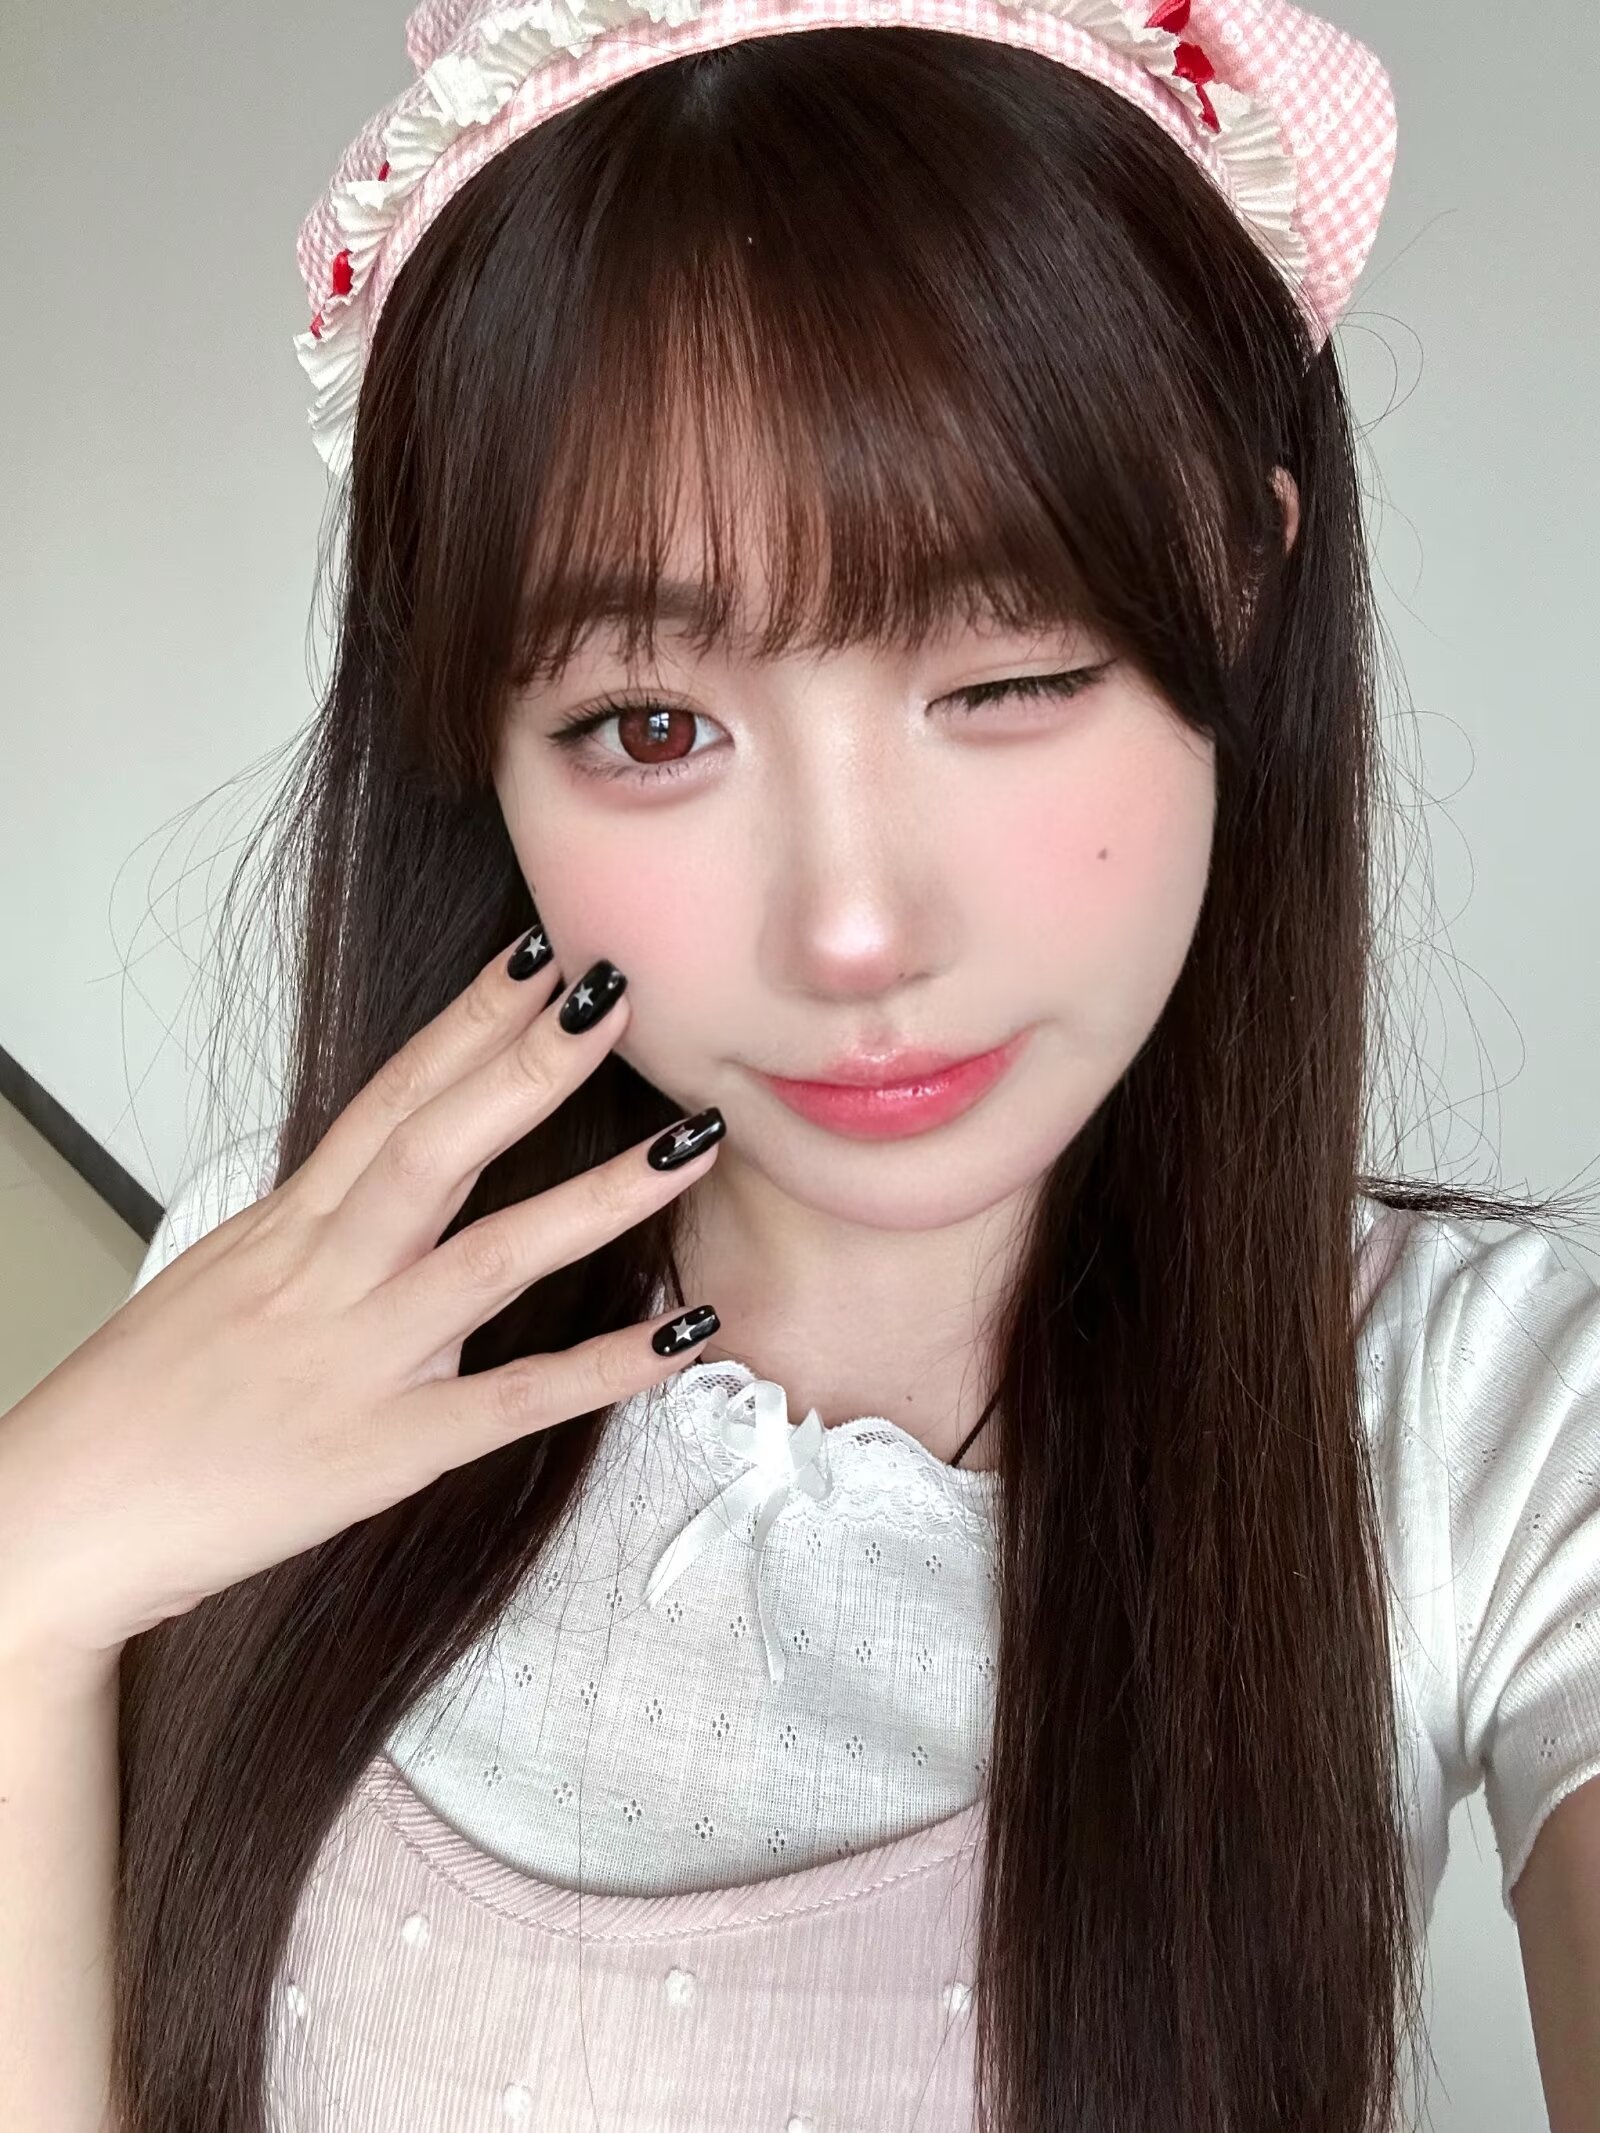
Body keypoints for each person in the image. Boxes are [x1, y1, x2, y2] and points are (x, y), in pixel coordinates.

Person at [2, 1, 1597, 2127]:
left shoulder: (1487, 1426)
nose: (852, 929)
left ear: (1242, 582)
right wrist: (26, 1582)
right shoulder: (283, 1277)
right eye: (650, 725)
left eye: (1009, 673)